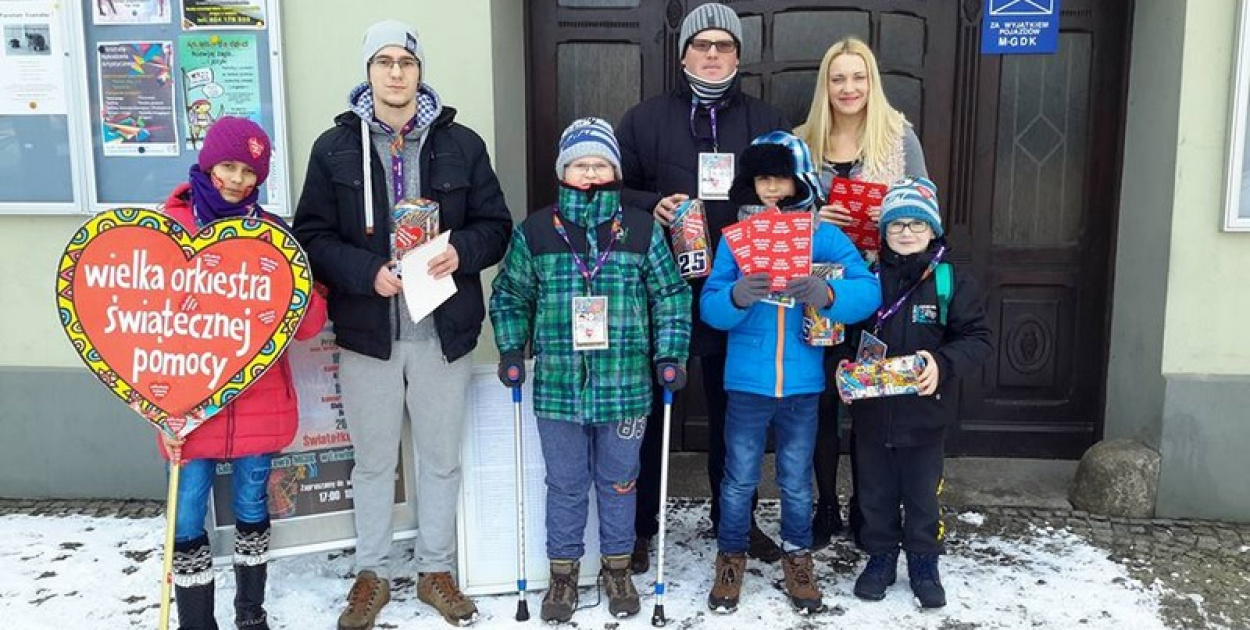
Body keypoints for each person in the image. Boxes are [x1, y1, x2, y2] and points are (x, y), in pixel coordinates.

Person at [291, 20, 512, 629]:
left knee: (441, 459)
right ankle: (372, 574)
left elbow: (498, 226)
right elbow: (309, 235)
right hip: (370, 334)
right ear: (367, 71)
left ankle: (435, 570)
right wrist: (368, 273)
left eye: (406, 63)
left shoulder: (461, 143)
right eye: (384, 62)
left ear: (419, 71)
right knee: (372, 461)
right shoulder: (333, 148)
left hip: (443, 334)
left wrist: (460, 251)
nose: (395, 73)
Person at [490, 118, 692, 623]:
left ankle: (617, 566)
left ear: (615, 170)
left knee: (621, 481)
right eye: (581, 164)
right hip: (559, 387)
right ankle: (563, 574)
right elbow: (511, 294)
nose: (590, 172)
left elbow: (670, 295)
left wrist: (670, 355)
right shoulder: (535, 231)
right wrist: (513, 349)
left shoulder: (642, 230)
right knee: (565, 484)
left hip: (626, 387)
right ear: (564, 171)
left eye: (600, 163)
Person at [617, 1, 791, 573]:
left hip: (740, 290)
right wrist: (651, 205)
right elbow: (608, 189)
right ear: (683, 53)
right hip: (662, 290)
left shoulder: (766, 121)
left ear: (738, 55)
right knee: (648, 414)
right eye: (702, 45)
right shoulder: (645, 119)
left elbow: (788, 193)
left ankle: (732, 522)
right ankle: (639, 528)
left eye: (724, 46)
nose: (712, 55)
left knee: (734, 414)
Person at [158, 115, 328, 630]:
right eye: (228, 166)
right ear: (209, 163)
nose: (237, 179)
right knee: (187, 513)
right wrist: (156, 407)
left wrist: (308, 291)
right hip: (189, 408)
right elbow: (142, 332)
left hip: (259, 402)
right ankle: (195, 622)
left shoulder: (273, 233)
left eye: (249, 171)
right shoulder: (169, 229)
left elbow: (307, 325)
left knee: (253, 502)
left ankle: (251, 614)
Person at [700, 131, 879, 615]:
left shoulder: (823, 234)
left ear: (799, 181)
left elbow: (869, 287)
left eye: (780, 178)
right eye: (762, 179)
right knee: (738, 480)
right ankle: (731, 555)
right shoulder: (735, 239)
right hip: (748, 381)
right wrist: (737, 296)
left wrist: (831, 298)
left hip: (802, 382)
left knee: (797, 481)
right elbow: (711, 305)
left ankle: (798, 557)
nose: (772, 190)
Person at [794, 36, 930, 549]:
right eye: (838, 78)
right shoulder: (802, 139)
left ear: (872, 82)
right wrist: (813, 219)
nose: (848, 88)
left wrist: (891, 215)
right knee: (820, 400)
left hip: (883, 290)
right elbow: (777, 213)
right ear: (825, 85)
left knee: (872, 400)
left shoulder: (898, 137)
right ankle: (825, 503)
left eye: (858, 77)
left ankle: (869, 508)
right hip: (820, 291)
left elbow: (925, 212)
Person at [837, 178, 991, 609]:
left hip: (927, 418)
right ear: (883, 230)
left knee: (922, 496)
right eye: (896, 224)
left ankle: (924, 560)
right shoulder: (866, 279)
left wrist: (943, 365)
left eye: (917, 224)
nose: (906, 232)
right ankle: (880, 556)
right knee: (875, 493)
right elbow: (843, 335)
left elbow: (977, 338)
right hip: (871, 417)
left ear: (933, 230)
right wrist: (842, 369)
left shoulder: (949, 281)